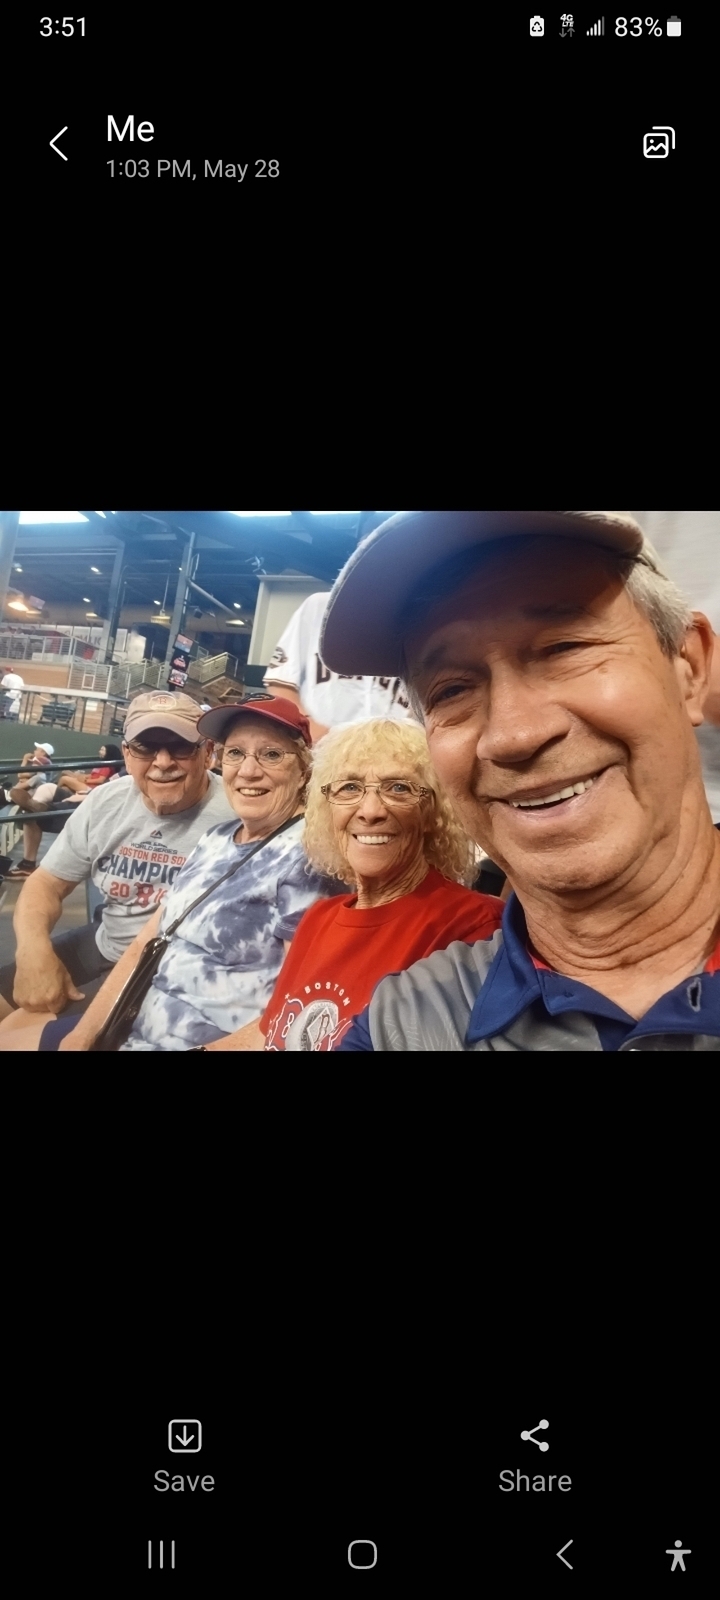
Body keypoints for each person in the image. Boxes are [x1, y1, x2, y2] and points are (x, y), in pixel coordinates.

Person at [318, 510, 720, 1051]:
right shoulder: (402, 1024)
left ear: (689, 667)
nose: (513, 735)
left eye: (563, 648)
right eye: (452, 690)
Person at [9, 697, 344, 1051]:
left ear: (304, 770)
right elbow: (145, 943)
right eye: (236, 753)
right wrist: (82, 1034)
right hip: (137, 1002)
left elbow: (298, 1006)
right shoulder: (219, 837)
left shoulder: (309, 858)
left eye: (271, 754)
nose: (248, 771)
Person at [216, 719, 503, 1052]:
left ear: (432, 812)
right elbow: (270, 1034)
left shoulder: (473, 926)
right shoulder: (318, 918)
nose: (370, 811)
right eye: (349, 788)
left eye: (399, 788)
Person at [0, 692, 234, 1024]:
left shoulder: (237, 811)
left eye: (181, 747)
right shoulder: (106, 802)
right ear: (127, 754)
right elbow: (47, 884)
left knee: (17, 1033)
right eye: (145, 747)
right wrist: (32, 951)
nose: (163, 761)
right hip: (105, 943)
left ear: (208, 753)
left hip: (178, 973)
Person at [264, 528, 419, 741]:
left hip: (393, 751)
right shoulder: (319, 608)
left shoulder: (414, 624)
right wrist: (312, 731)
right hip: (321, 750)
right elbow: (281, 684)